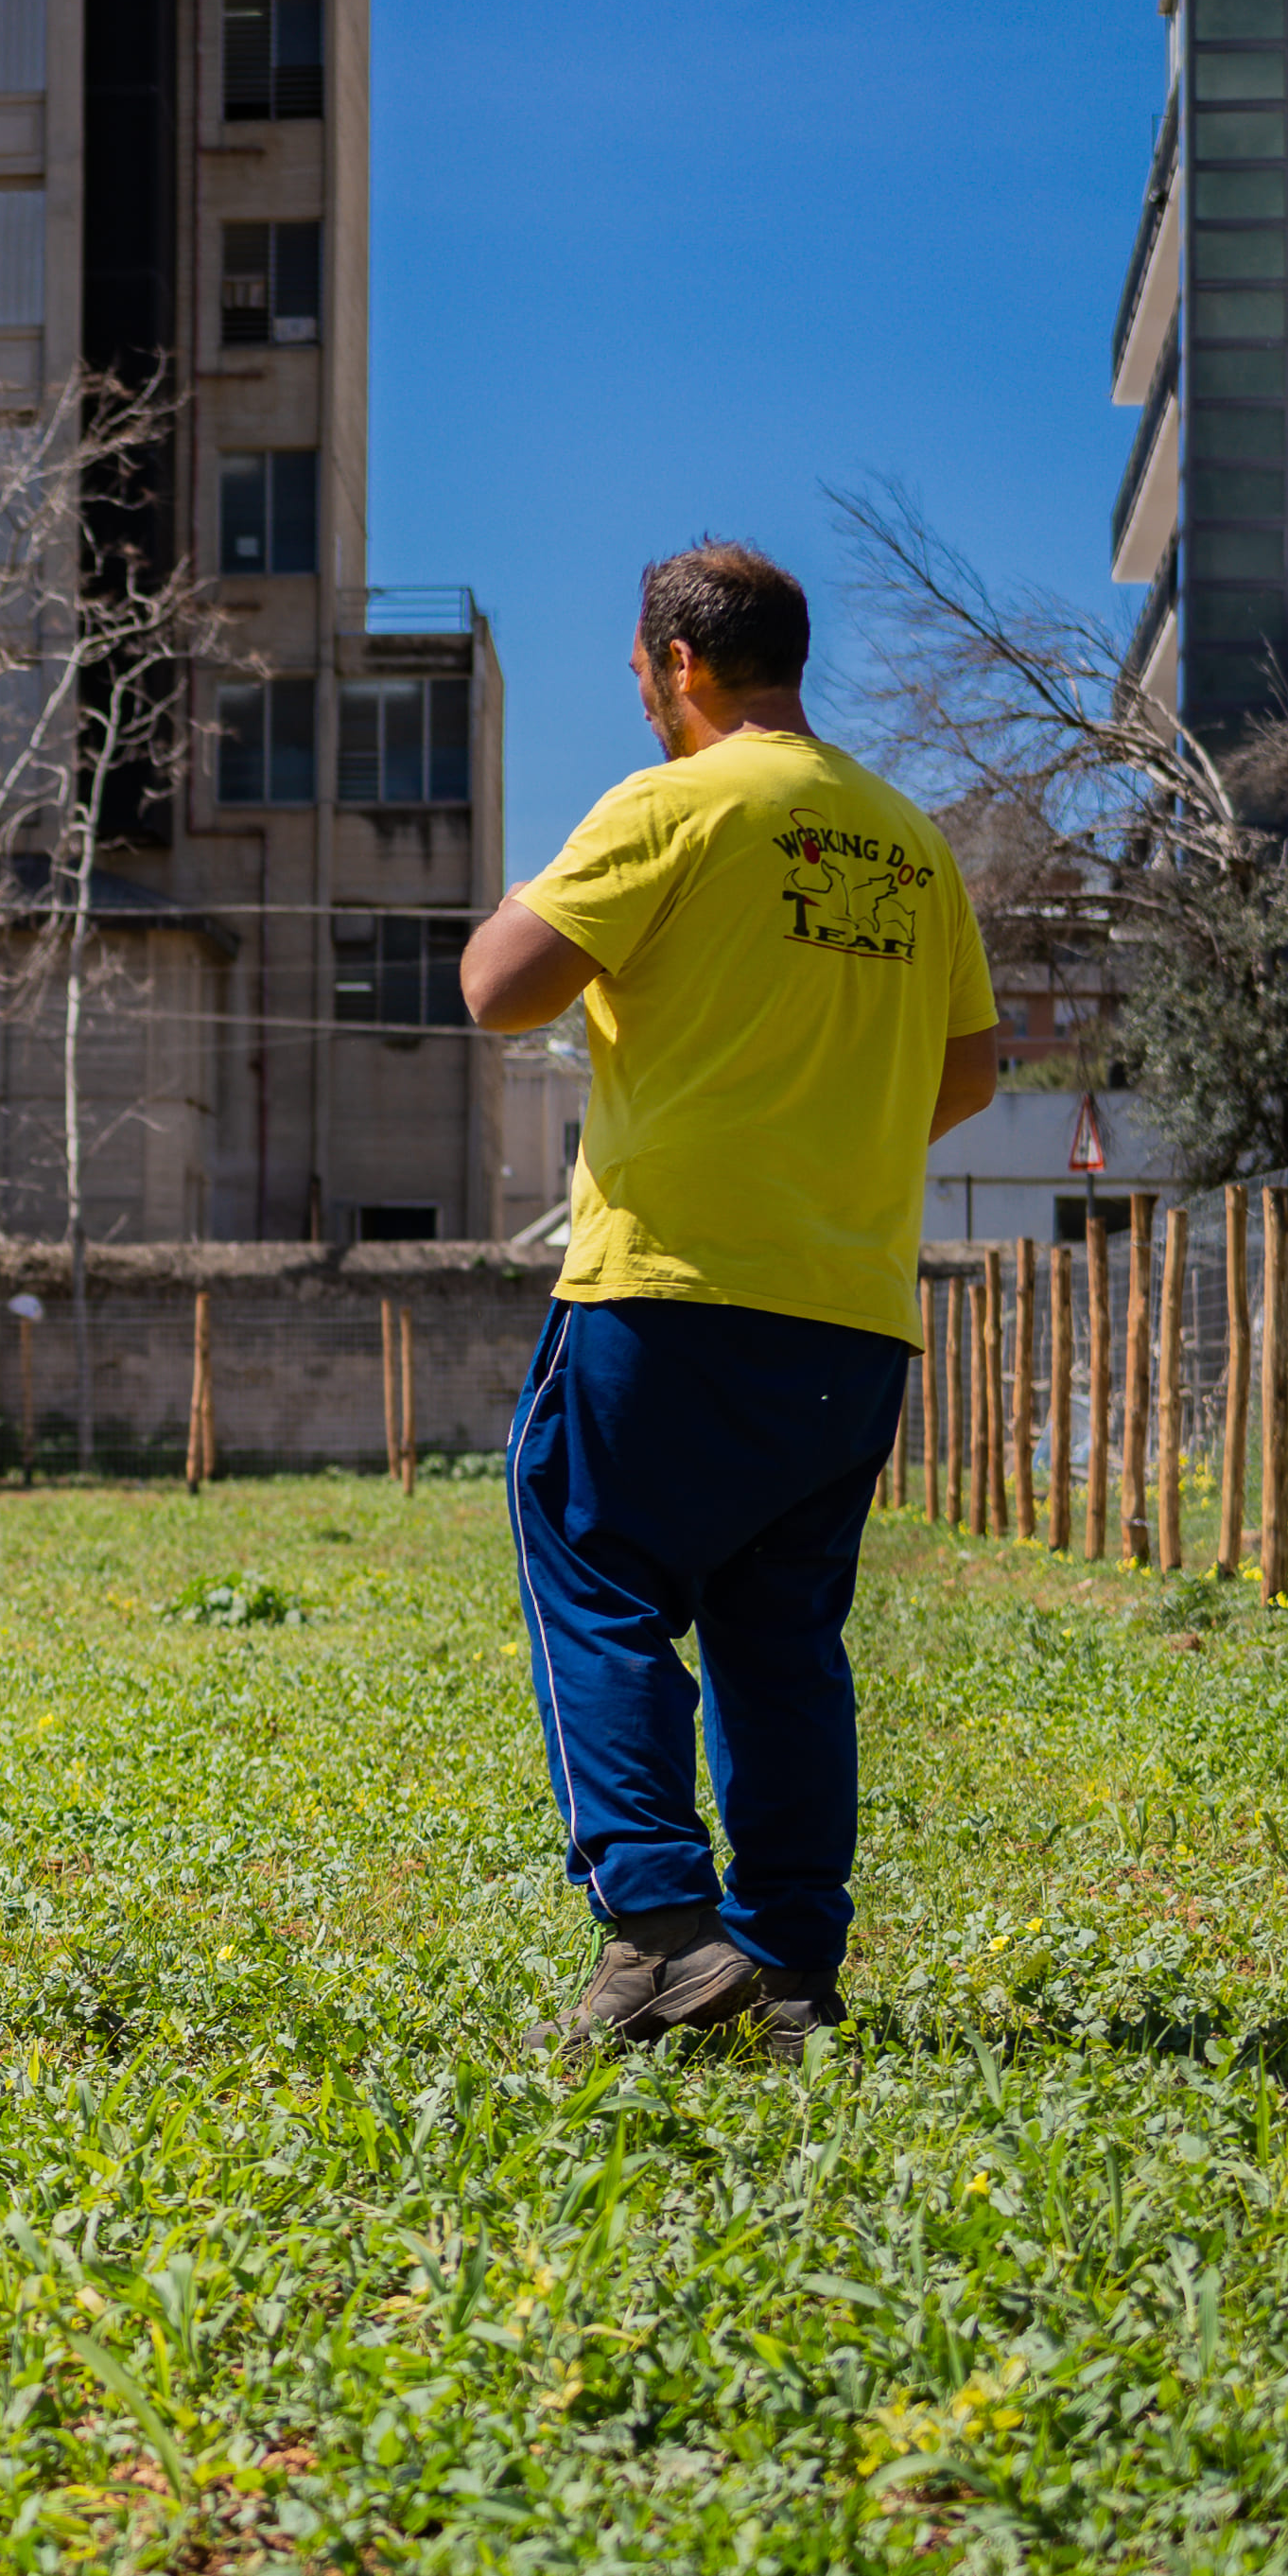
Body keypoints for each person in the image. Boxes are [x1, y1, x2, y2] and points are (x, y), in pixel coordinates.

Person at [460, 541, 998, 2063]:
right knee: (780, 1632)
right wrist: (820, 1133)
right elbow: (965, 1074)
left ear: (675, 665)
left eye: (640, 673)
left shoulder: (671, 804)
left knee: (594, 1563)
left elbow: (496, 989)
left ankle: (655, 1930)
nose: (640, 696)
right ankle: (792, 1968)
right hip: (849, 1306)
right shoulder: (903, 839)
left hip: (671, 1285)